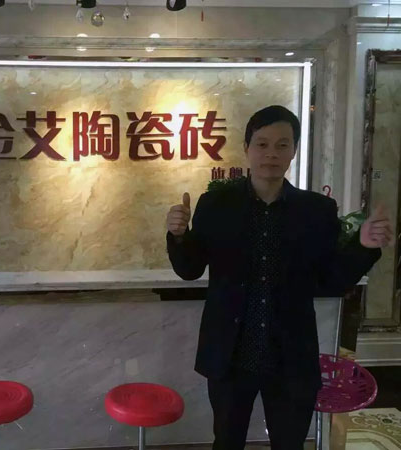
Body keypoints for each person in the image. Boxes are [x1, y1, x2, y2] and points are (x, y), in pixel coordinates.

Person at [165, 105, 393, 450]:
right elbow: (190, 269)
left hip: (291, 357)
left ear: (294, 150)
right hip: (230, 354)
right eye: (262, 144)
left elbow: (331, 281)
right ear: (247, 148)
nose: (271, 153)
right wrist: (179, 236)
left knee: (289, 444)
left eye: (282, 145)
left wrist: (362, 246)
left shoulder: (316, 211)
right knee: (226, 441)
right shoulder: (216, 205)